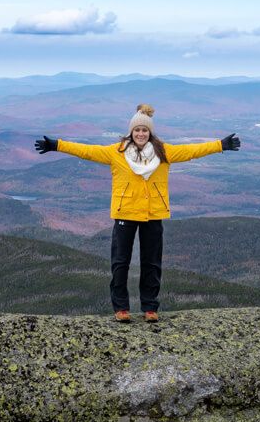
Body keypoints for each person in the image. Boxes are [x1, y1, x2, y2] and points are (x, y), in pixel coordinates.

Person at [34, 103, 240, 323]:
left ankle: (150, 308)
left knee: (152, 263)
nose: (141, 134)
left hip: (153, 214)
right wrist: (56, 145)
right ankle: (121, 308)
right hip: (125, 213)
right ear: (131, 132)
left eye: (145, 130)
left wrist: (221, 145)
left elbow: (192, 151)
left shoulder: (164, 152)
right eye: (137, 130)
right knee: (120, 263)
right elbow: (87, 150)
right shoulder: (116, 152)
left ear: (150, 133)